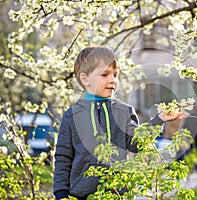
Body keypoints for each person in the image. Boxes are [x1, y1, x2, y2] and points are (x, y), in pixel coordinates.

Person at [53, 47, 186, 200]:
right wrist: (61, 194)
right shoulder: (72, 116)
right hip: (82, 195)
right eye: (105, 75)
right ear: (85, 79)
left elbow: (136, 143)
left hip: (119, 194)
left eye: (115, 75)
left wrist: (159, 120)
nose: (112, 80)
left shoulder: (124, 111)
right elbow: (63, 157)